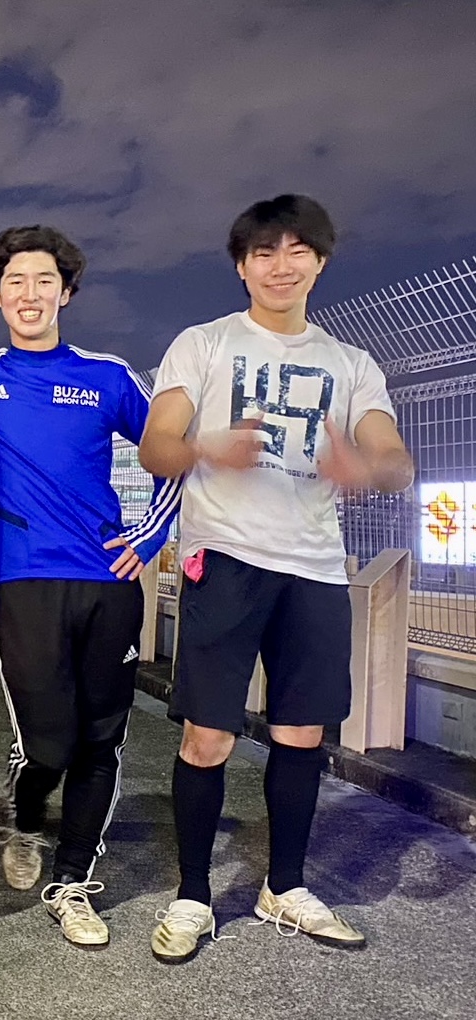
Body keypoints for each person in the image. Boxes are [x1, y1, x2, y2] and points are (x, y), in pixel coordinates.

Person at [139, 194, 412, 962]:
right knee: (207, 736)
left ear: (319, 262)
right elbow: (157, 445)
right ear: (242, 265)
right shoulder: (204, 343)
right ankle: (194, 896)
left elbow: (393, 458)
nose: (280, 266)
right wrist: (206, 449)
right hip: (225, 556)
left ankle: (283, 887)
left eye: (297, 251)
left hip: (314, 567)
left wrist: (369, 467)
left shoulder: (352, 364)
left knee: (301, 733)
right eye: (264, 252)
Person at [0, 224, 180, 948]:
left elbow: (173, 457)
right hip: (21, 579)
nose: (30, 294)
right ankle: (25, 819)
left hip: (108, 579)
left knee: (101, 741)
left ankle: (72, 881)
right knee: (50, 744)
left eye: (45, 281)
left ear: (67, 292)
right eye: (15, 282)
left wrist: (149, 537)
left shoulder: (107, 376)